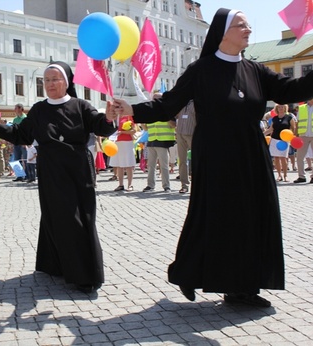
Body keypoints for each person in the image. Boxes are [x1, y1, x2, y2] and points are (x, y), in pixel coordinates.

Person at [112, 8, 313, 307]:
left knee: (252, 217)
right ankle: (195, 274)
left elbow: (289, 90)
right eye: (241, 25)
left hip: (251, 156)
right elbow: (168, 106)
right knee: (217, 218)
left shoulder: (256, 70)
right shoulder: (201, 70)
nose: (248, 30)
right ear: (223, 32)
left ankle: (244, 286)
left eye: (248, 25)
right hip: (216, 156)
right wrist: (131, 108)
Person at [0, 61, 116, 293]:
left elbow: (101, 126)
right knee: (58, 216)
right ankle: (57, 264)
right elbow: (21, 134)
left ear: (67, 82)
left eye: (55, 79)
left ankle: (85, 272)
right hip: (51, 171)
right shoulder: (39, 109)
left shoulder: (81, 106)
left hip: (78, 170)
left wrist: (110, 118)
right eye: (46, 80)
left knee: (81, 218)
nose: (50, 84)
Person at [141, 93, 176, 193]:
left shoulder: (168, 111)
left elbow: (173, 125)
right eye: (153, 99)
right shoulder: (151, 112)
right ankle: (150, 185)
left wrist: (166, 116)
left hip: (163, 141)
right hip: (152, 140)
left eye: (157, 99)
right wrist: (142, 123)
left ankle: (166, 186)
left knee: (164, 165)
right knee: (150, 165)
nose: (155, 101)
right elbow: (146, 128)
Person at [264, 104, 296, 182]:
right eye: (279, 107)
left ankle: (285, 175)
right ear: (276, 109)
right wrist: (262, 133)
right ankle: (279, 175)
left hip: (284, 141)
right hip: (274, 139)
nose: (280, 108)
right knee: (276, 158)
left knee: (283, 158)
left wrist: (292, 137)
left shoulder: (289, 118)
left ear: (285, 108)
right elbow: (271, 129)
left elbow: (293, 128)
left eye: (282, 107)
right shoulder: (274, 118)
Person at [109, 115, 137, 191]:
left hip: (127, 142)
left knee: (129, 164)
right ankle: (121, 184)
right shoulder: (114, 117)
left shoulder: (128, 117)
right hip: (116, 142)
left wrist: (122, 132)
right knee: (119, 164)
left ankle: (130, 185)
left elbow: (134, 130)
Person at [175, 100, 196, 193]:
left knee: (197, 161)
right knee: (182, 161)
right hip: (180, 133)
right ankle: (184, 185)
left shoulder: (196, 102)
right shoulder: (181, 102)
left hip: (192, 134)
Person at [293, 98, 313, 183]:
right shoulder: (301, 108)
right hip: (303, 135)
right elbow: (297, 122)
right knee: (300, 156)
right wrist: (296, 134)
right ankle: (301, 176)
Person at [11, 103, 27, 181]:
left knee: (25, 159)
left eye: (16, 108)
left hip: (23, 141)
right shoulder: (15, 119)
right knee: (17, 159)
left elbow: (27, 131)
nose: (15, 110)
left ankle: (27, 175)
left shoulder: (25, 118)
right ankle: (19, 176)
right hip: (16, 141)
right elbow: (13, 131)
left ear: (21, 109)